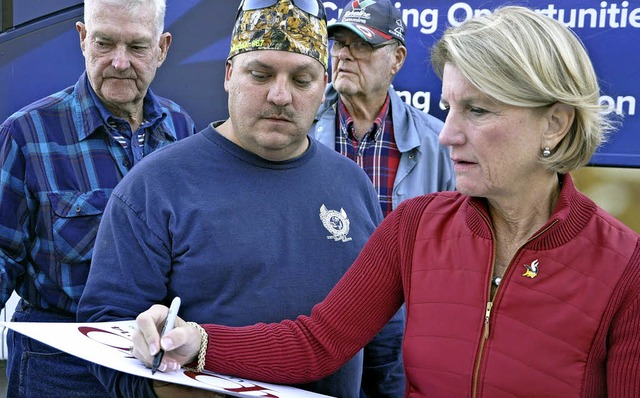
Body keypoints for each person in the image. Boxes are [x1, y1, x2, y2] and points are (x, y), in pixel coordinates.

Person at [131, 6, 640, 397]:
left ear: (555, 122)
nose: (448, 135)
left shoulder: (626, 268)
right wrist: (199, 342)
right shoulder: (415, 227)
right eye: (449, 108)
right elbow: (319, 342)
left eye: (478, 111)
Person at [77, 0, 404, 397]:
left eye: (302, 80)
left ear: (324, 87)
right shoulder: (156, 187)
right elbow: (107, 335)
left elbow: (384, 340)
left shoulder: (353, 186)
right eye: (261, 74)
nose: (280, 96)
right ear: (230, 75)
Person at [0, 0, 196, 396]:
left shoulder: (182, 129)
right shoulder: (26, 136)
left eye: (138, 47)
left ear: (163, 48)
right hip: (59, 368)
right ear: (83, 38)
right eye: (104, 43)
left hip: (158, 366)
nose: (119, 62)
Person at [312, 0, 454, 218]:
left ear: (397, 58)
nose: (343, 55)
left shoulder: (438, 142)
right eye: (339, 43)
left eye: (361, 45)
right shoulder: (300, 125)